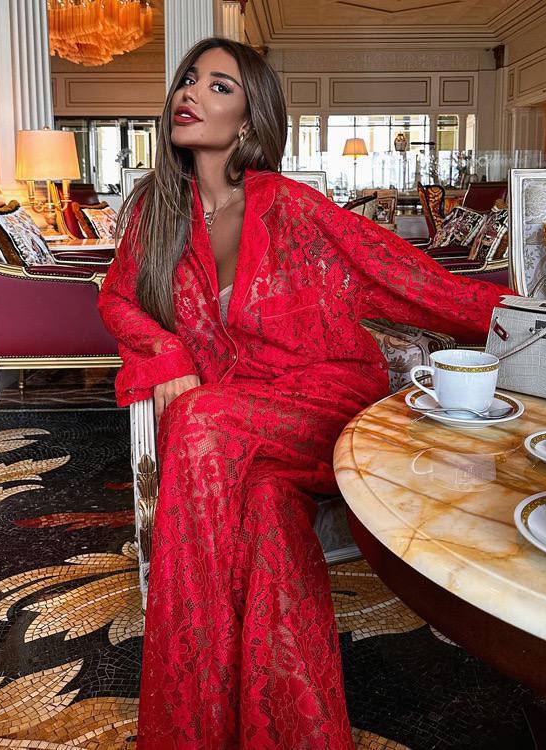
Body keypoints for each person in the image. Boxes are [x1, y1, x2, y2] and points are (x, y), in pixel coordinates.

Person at [97, 37, 511, 750]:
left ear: (250, 119)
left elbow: (410, 279)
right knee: (266, 514)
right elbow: (117, 299)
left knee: (196, 421)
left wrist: (536, 320)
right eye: (188, 79)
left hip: (320, 400)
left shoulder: (292, 206)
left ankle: (184, 730)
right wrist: (166, 353)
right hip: (237, 424)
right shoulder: (155, 213)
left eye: (219, 86)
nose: (189, 92)